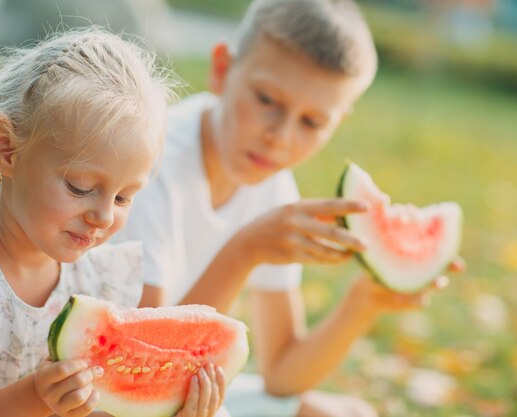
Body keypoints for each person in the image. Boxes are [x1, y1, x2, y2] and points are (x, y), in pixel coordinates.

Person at [113, 1, 464, 416]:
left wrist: (361, 304)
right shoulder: (150, 166)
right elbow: (146, 364)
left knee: (348, 413)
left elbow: (281, 372)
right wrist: (245, 251)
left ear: (338, 122)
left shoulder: (274, 187)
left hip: (179, 392)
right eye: (266, 99)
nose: (280, 137)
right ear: (223, 70)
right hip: (97, 392)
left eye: (311, 123)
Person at [0, 28, 228, 417]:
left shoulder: (100, 279)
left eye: (124, 197)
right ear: (7, 150)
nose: (104, 216)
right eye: (80, 188)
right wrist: (37, 399)